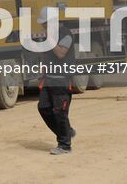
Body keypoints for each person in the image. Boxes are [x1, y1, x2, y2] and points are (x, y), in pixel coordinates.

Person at [36, 9, 76, 156]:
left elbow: (60, 53)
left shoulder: (66, 33)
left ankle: (65, 145)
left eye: (45, 24)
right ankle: (67, 131)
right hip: (49, 79)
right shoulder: (49, 36)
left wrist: (50, 40)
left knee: (60, 112)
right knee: (43, 108)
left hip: (62, 80)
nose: (44, 28)